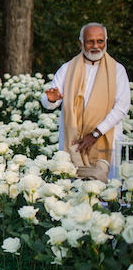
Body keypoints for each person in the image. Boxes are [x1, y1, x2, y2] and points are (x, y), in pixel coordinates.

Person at [42, 22, 130, 181]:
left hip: (105, 138)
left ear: (106, 41)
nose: (96, 46)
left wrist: (96, 133)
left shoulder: (117, 70)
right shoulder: (67, 68)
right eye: (90, 41)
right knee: (72, 189)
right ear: (81, 43)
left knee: (105, 193)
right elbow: (50, 101)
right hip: (73, 142)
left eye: (100, 41)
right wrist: (50, 100)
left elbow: (122, 107)